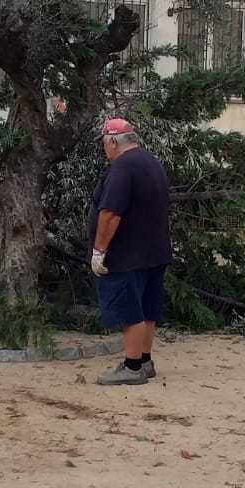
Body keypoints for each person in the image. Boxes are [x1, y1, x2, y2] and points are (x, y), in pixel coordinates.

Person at [88, 118, 173, 386]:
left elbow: (111, 213)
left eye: (103, 143)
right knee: (148, 308)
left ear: (113, 140)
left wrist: (99, 251)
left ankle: (132, 367)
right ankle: (145, 361)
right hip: (154, 252)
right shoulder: (151, 162)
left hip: (127, 255)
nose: (104, 148)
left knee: (129, 310)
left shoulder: (122, 168)